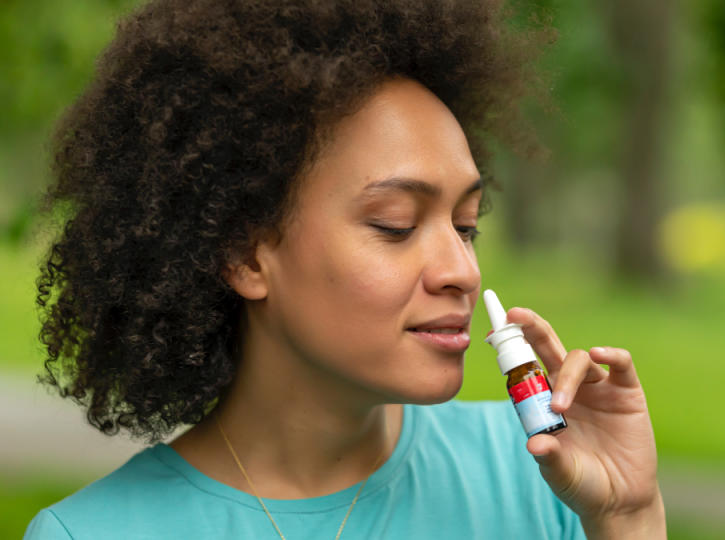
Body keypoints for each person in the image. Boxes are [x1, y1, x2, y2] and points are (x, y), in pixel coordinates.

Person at [24, 0, 665, 538]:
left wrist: (628, 516)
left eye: (465, 226)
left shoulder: (544, 470)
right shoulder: (93, 533)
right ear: (246, 254)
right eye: (395, 224)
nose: (462, 272)